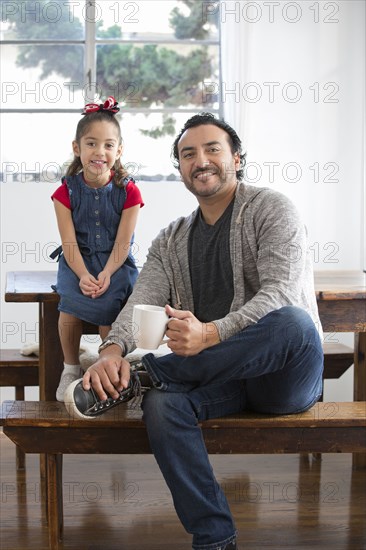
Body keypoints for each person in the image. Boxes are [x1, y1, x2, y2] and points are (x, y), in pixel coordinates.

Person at [65, 113, 323, 550]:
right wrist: (111, 350)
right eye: (188, 154)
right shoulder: (171, 238)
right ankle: (214, 538)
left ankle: (148, 374)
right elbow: (141, 301)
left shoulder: (271, 208)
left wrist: (211, 334)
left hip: (283, 379)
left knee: (294, 323)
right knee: (163, 406)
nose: (200, 160)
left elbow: (281, 294)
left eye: (212, 149)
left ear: (236, 159)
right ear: (180, 169)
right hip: (218, 380)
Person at [51, 96, 144, 402]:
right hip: (77, 259)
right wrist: (81, 274)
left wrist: (105, 273)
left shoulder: (129, 191)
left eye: (108, 145)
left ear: (118, 151)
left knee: (110, 305)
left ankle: (112, 368)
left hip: (115, 262)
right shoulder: (65, 192)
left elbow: (123, 242)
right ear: (77, 148)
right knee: (67, 305)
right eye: (91, 143)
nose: (99, 152)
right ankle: (70, 366)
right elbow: (69, 242)